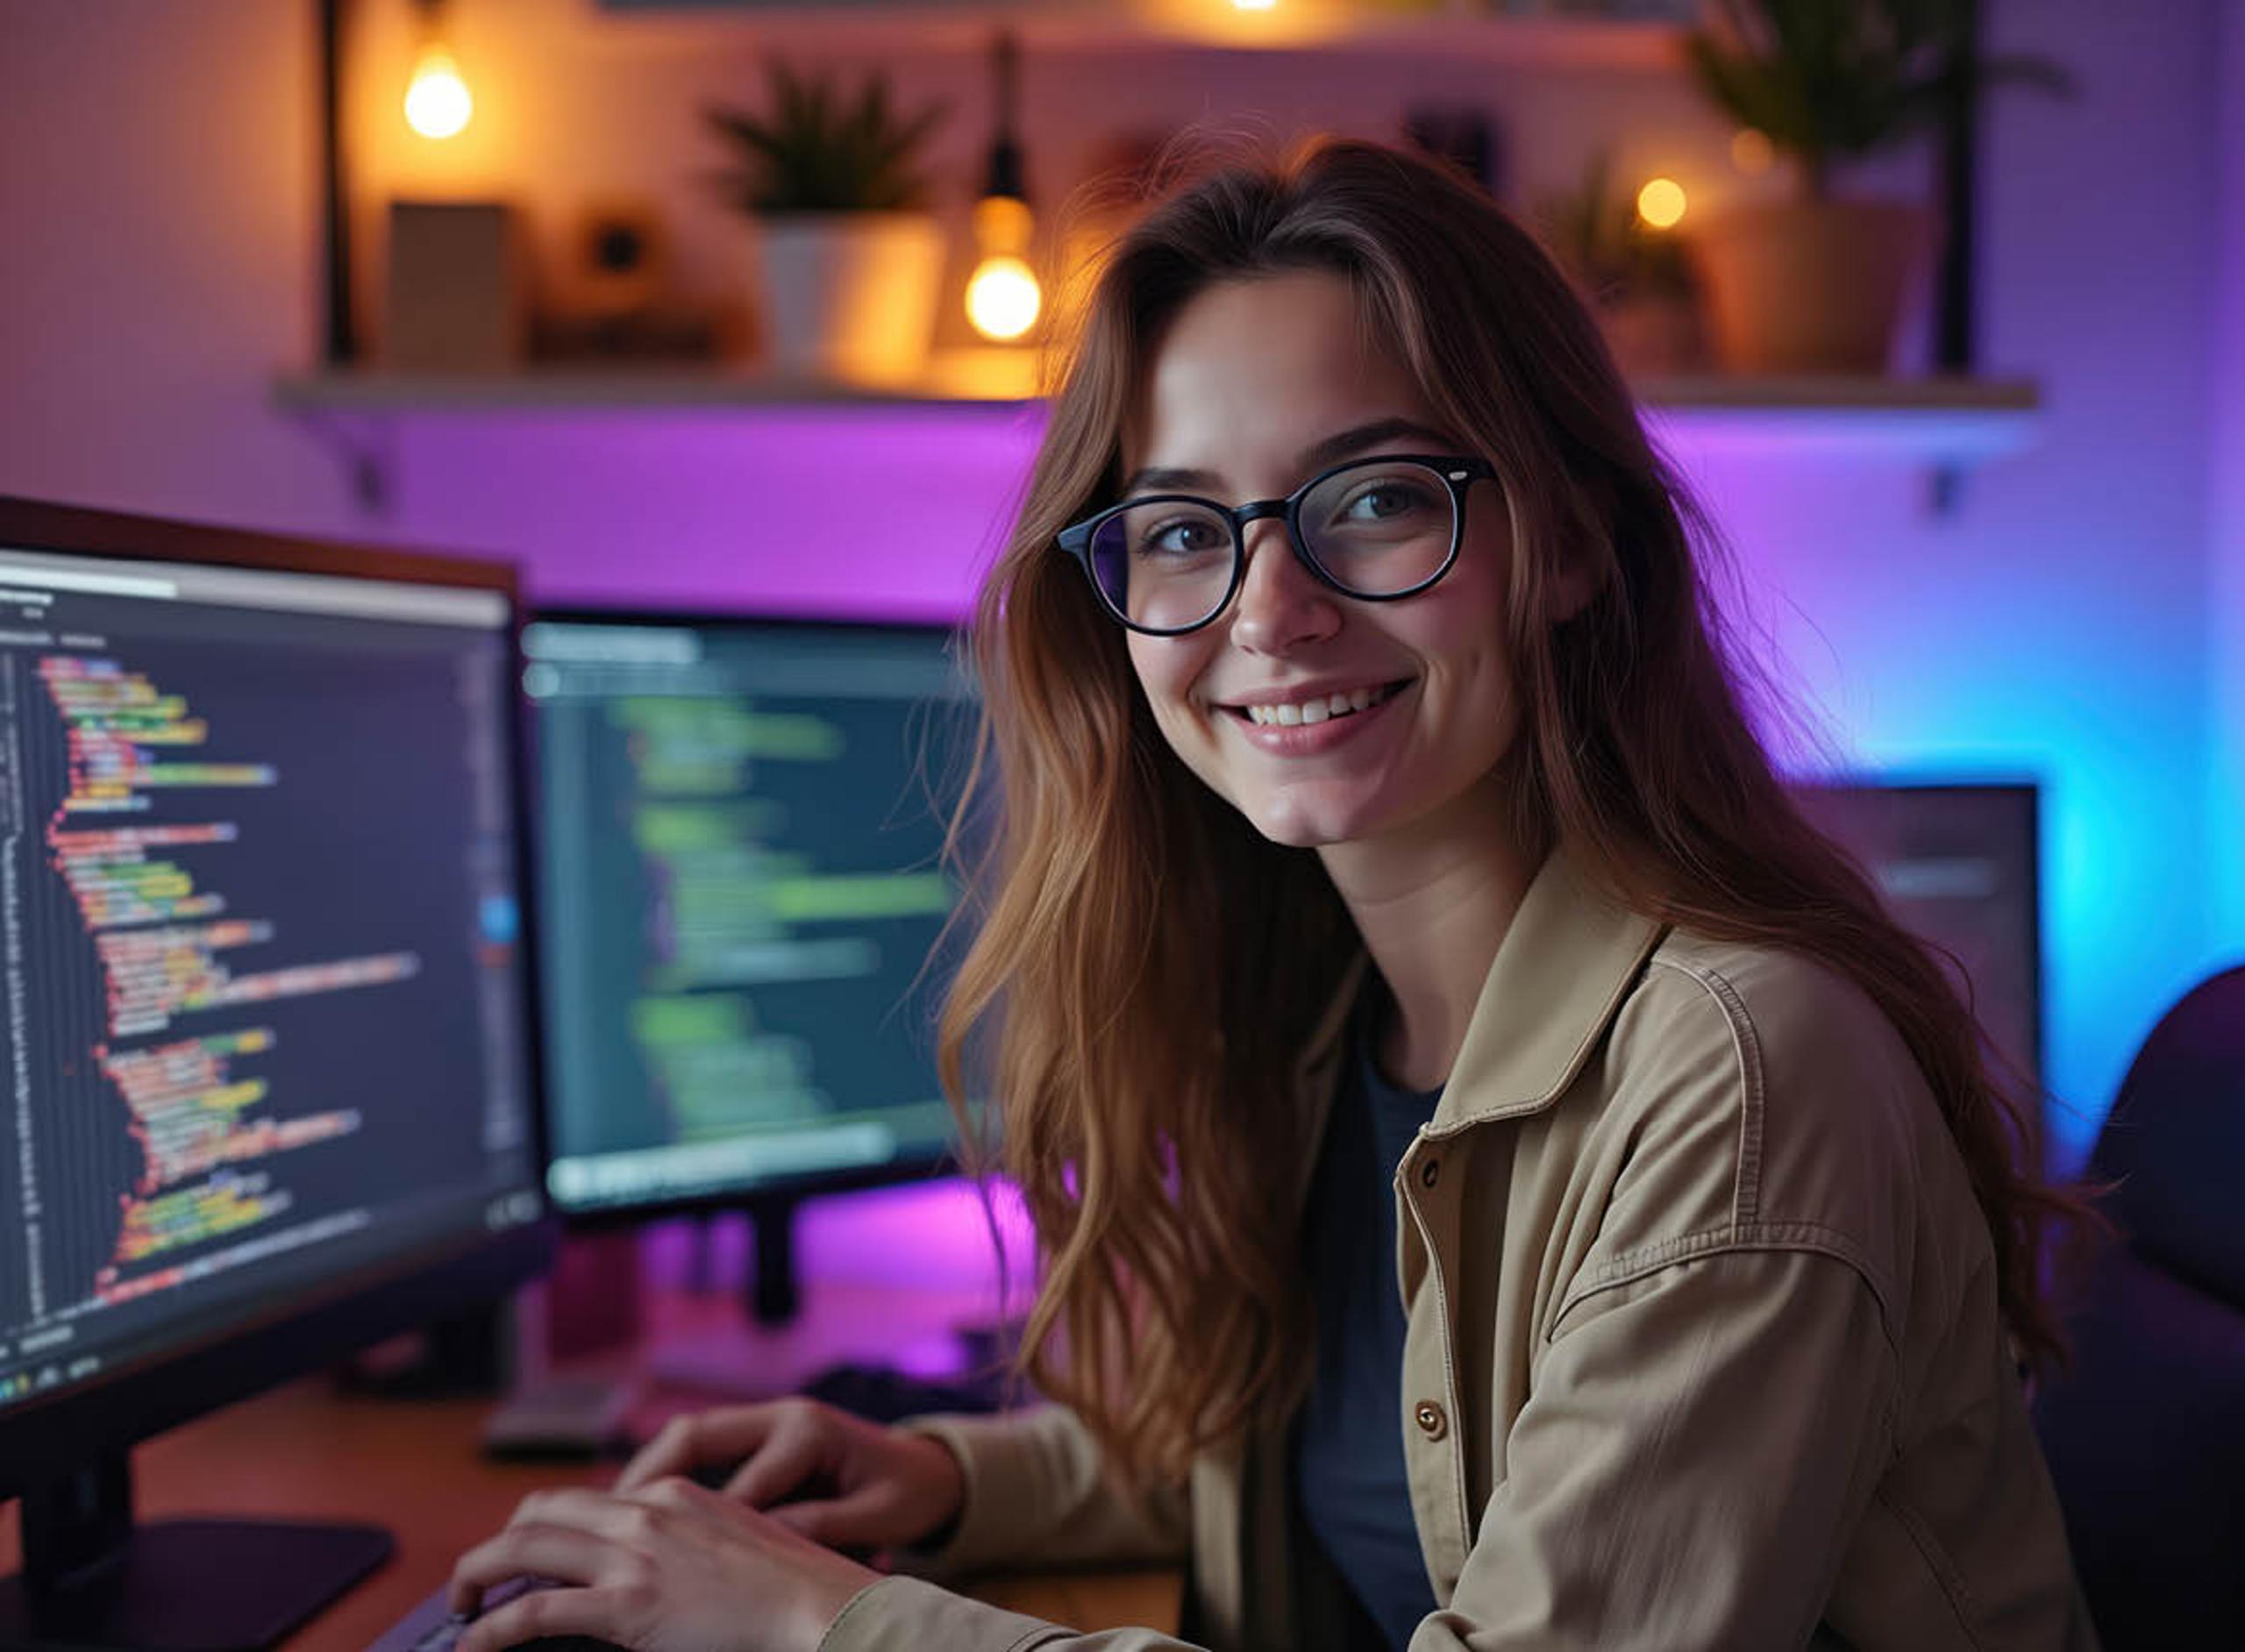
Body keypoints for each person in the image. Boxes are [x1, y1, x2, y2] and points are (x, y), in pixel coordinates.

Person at [448, 137, 2099, 1652]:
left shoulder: (1739, 1069)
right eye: (1181, 530)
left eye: (1377, 500)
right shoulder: (1338, 1014)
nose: (1271, 611)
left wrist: (823, 1629)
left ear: (1575, 544)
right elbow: (1352, 1469)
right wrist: (951, 1483)